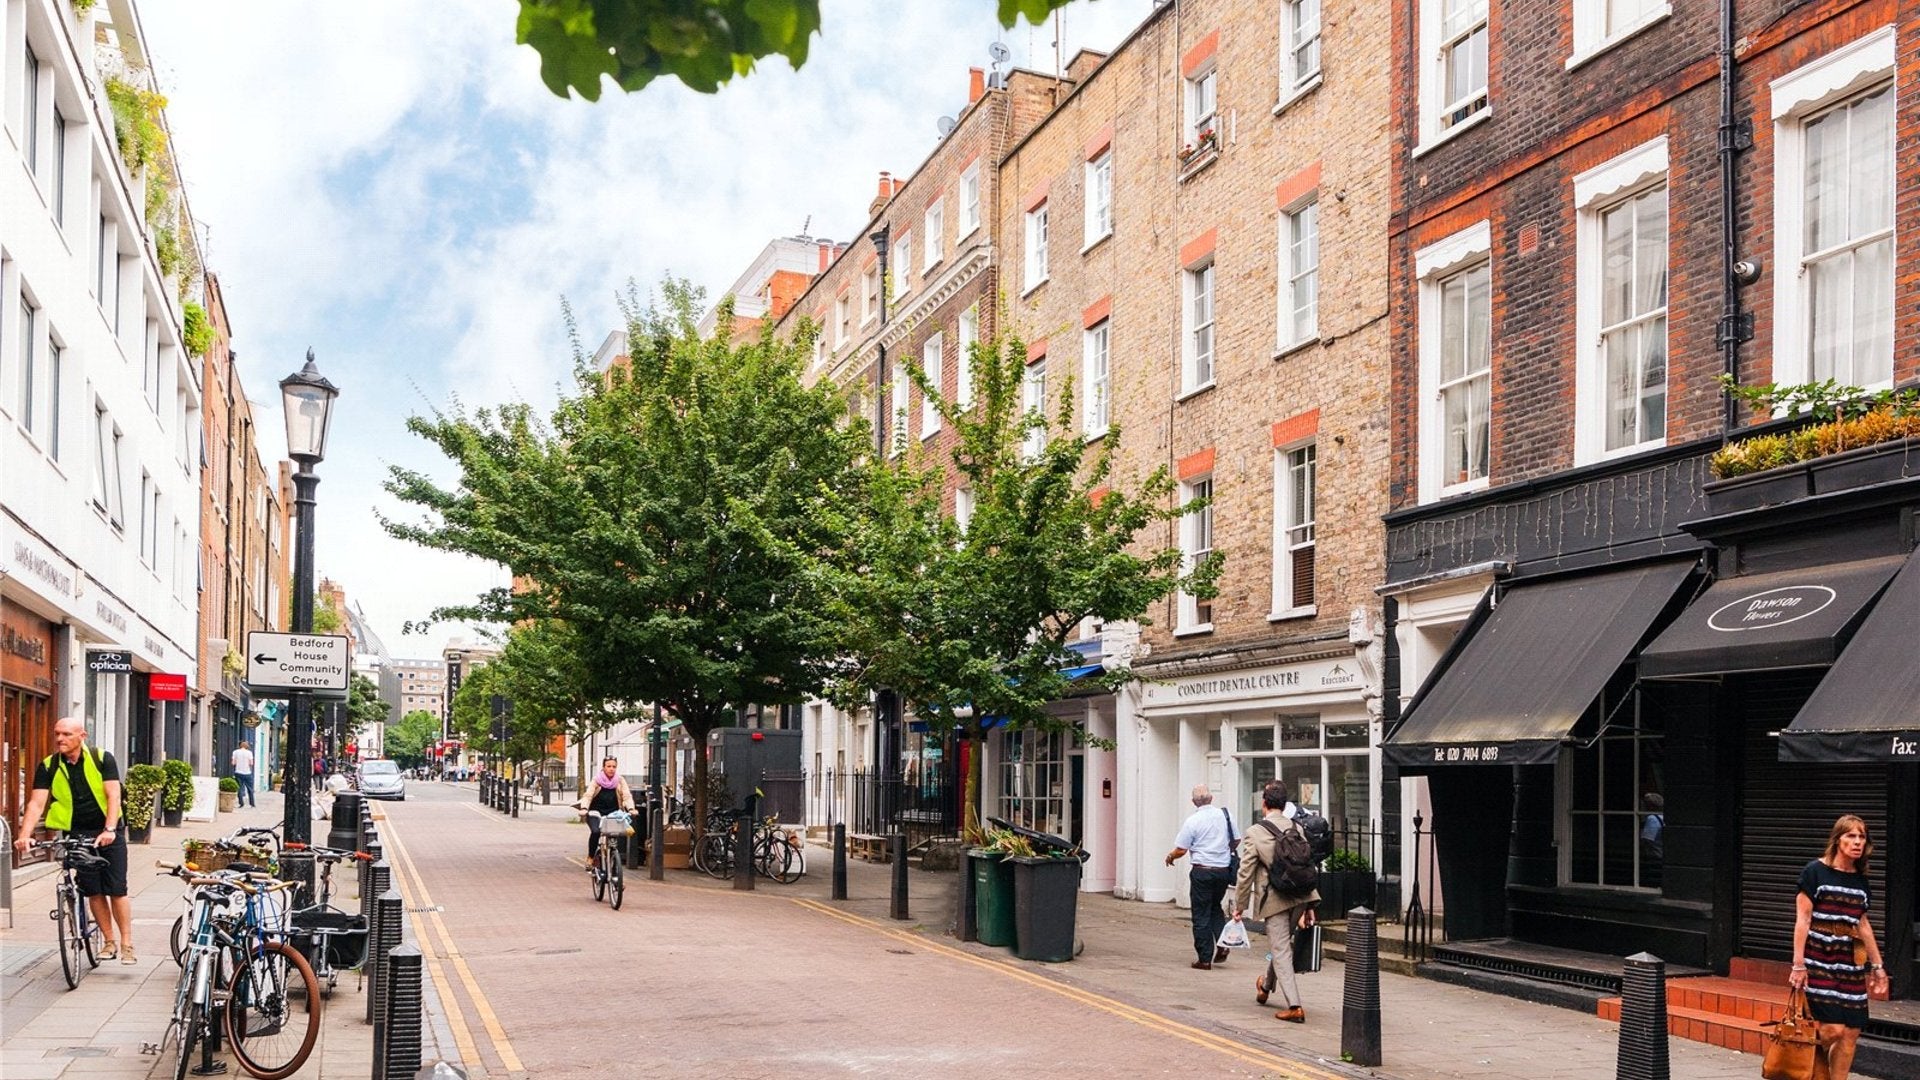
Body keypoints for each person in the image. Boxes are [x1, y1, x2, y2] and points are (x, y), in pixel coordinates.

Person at [12, 717, 137, 964]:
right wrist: (24, 835)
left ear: (82, 736)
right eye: (57, 733)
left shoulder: (102, 758)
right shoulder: (48, 766)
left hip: (107, 830)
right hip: (76, 833)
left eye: (67, 734)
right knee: (93, 889)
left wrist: (110, 828)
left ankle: (127, 943)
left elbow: (114, 795)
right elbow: (37, 803)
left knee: (117, 889)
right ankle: (109, 941)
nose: (60, 739)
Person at [1789, 814, 1889, 1079]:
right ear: (1837, 840)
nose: (1857, 842)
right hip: (1819, 956)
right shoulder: (1815, 872)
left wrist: (1878, 967)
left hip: (1851, 960)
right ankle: (1807, 1061)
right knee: (1832, 1029)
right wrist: (1798, 964)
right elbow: (1803, 919)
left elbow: (1863, 924)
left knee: (1851, 1032)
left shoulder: (1861, 880)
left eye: (1862, 837)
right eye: (1851, 836)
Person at [1232, 779, 1319, 1024]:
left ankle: (1294, 1005)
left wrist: (1239, 906)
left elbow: (1245, 872)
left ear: (1264, 804)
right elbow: (1306, 865)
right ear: (1284, 803)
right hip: (1301, 896)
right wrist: (1311, 905)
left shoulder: (1255, 832)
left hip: (1276, 899)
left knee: (1280, 949)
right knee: (1281, 947)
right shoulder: (1296, 828)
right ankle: (1266, 985)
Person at [1165, 783, 1237, 970]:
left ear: (1193, 802)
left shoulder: (1193, 821)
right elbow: (1236, 839)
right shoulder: (1225, 815)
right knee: (1215, 908)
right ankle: (1223, 944)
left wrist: (1171, 855)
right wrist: (1222, 850)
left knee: (1201, 914)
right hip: (1223, 871)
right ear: (1211, 798)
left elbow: (1182, 849)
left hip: (1202, 871)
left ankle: (1204, 958)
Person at [575, 757, 636, 871]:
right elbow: (588, 795)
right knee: (596, 832)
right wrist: (584, 808)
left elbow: (627, 796)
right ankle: (590, 857)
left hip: (613, 813)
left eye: (614, 766)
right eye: (609, 766)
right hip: (595, 812)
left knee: (614, 837)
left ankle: (614, 873)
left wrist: (631, 808)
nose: (611, 769)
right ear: (603, 767)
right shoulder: (597, 780)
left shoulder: (620, 780)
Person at [230, 742, 256, 808]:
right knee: (250, 789)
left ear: (240, 746)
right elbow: (251, 763)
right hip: (247, 773)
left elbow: (233, 763)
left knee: (239, 788)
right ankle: (252, 803)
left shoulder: (235, 752)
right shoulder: (249, 753)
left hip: (238, 772)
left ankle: (241, 803)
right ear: (247, 746)